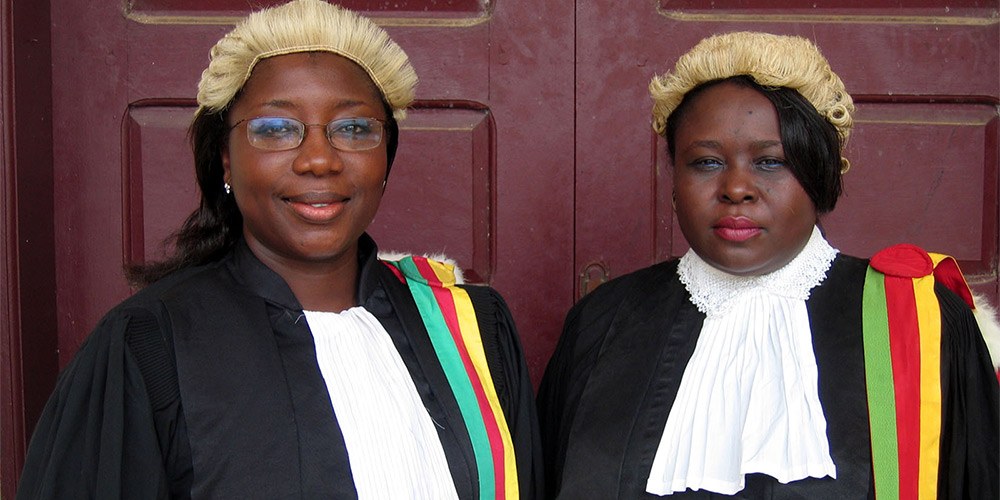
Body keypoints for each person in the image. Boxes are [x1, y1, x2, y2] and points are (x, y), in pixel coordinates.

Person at [17, 1, 541, 498]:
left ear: (387, 156)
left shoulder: (473, 329)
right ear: (225, 158)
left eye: (354, 128)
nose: (320, 160)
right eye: (276, 129)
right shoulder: (148, 347)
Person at [537, 31, 999, 499]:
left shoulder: (921, 323)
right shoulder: (603, 322)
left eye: (771, 163)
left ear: (819, 174)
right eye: (706, 162)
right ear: (673, 178)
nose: (737, 188)